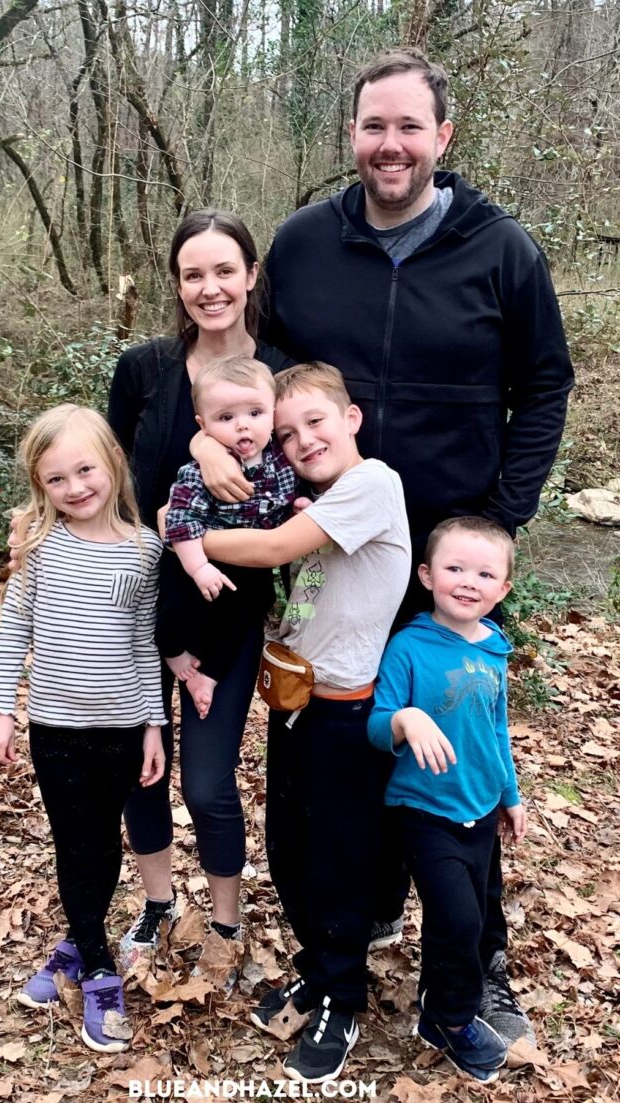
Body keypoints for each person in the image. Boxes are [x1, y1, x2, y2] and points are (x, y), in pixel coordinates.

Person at [256, 46, 573, 1044]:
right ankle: (356, 924)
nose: (388, 144)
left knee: (456, 760)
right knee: (336, 756)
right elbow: (264, 363)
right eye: (371, 125)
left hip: (445, 568)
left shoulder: (502, 251)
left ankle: (476, 964)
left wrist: (500, 515)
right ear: (350, 135)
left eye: (407, 126)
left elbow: (546, 383)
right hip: (329, 555)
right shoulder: (304, 242)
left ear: (443, 136)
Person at [200, 362, 411, 1084]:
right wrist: (204, 455)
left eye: (314, 422)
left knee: (336, 860)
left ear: (352, 418)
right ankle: (317, 972)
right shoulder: (299, 494)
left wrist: (183, 541)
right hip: (292, 705)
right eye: (285, 434)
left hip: (345, 715)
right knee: (289, 850)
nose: (299, 440)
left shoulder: (371, 484)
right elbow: (218, 468)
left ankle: (341, 998)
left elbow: (268, 550)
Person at [107, 210, 292, 963]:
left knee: (209, 779)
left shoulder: (281, 370)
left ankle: (225, 920)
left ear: (251, 276)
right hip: (139, 602)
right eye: (192, 274)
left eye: (224, 271)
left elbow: (307, 474)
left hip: (229, 610)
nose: (209, 288)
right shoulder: (143, 370)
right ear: (177, 285)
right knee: (137, 767)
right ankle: (156, 901)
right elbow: (112, 479)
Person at [0, 404, 166, 1053]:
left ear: (112, 464)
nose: (75, 487)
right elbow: (14, 628)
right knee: (74, 840)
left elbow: (146, 644)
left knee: (103, 841)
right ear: (40, 485)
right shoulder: (39, 542)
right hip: (56, 728)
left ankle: (74, 941)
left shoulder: (147, 550)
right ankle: (98, 968)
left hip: (119, 727)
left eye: (85, 469)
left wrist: (153, 725)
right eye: (55, 478)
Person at [368, 516, 526, 1084]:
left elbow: (497, 729)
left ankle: (439, 1000)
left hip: (481, 809)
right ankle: (452, 1021)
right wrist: (407, 719)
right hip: (423, 811)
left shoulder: (495, 651)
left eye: (485, 573)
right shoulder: (409, 646)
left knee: (472, 916)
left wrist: (510, 795)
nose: (468, 581)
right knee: (458, 920)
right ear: (427, 575)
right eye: (455, 568)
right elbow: (377, 723)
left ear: (503, 588)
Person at [158, 355, 299, 719]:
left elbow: (290, 500)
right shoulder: (197, 471)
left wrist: (301, 508)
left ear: (273, 414)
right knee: (173, 609)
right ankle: (173, 651)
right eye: (226, 418)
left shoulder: (281, 460)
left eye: (255, 413)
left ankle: (208, 676)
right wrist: (198, 566)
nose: (243, 427)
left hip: (249, 564)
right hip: (197, 558)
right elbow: (180, 518)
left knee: (244, 617)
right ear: (202, 426)